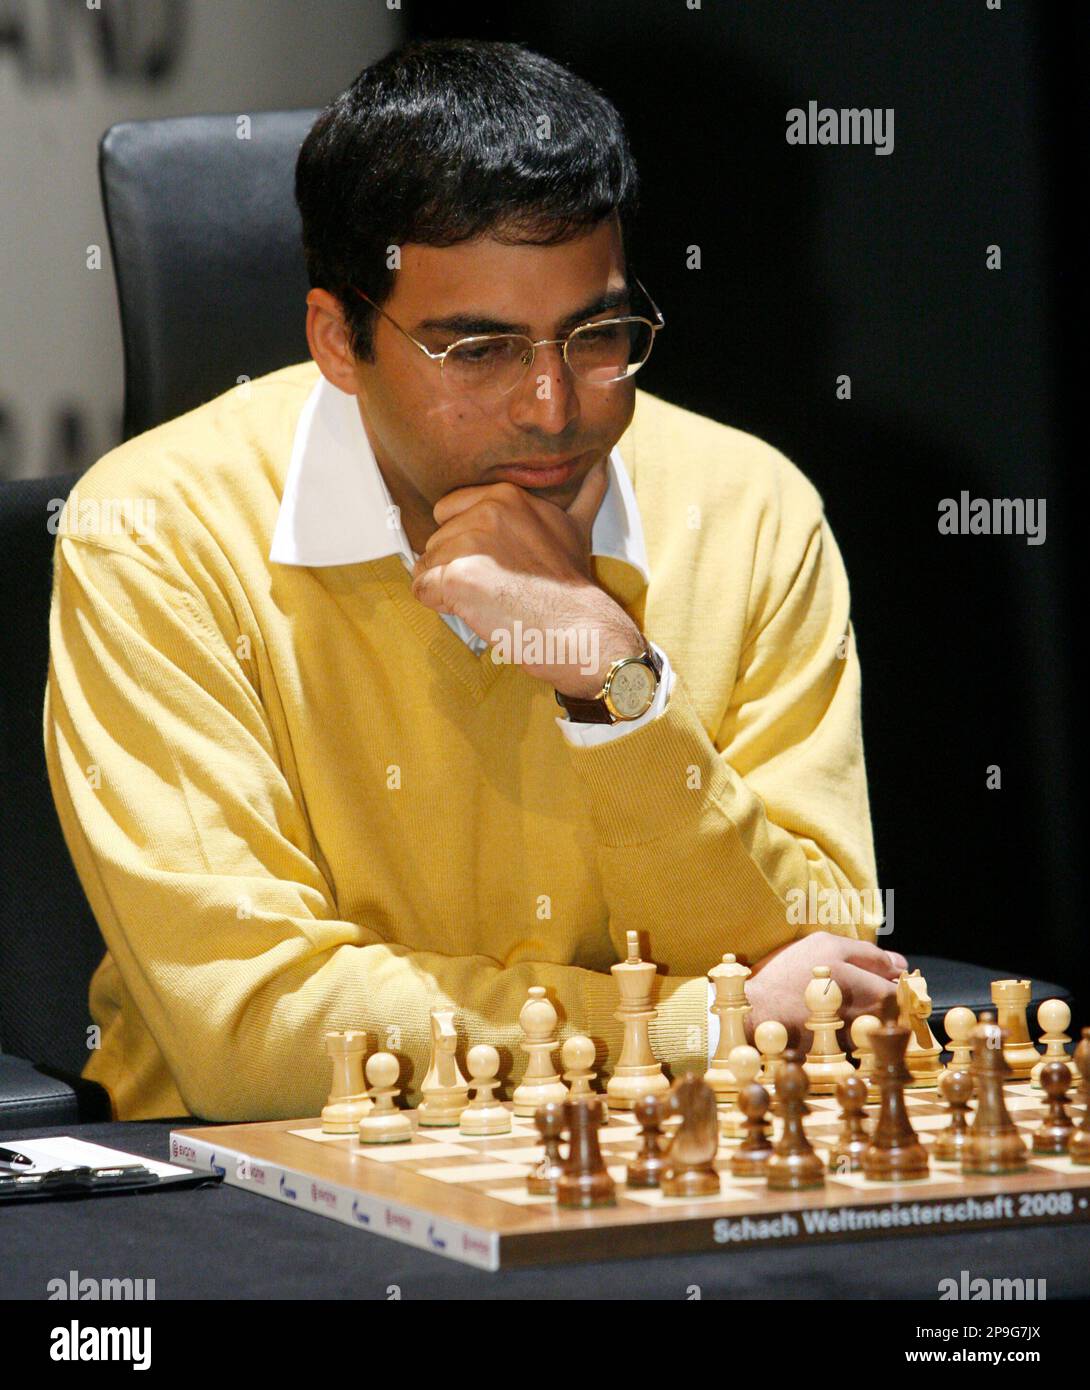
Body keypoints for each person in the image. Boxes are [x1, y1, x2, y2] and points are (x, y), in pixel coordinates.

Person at [44, 38, 901, 1123]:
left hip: (659, 1153)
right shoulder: (157, 533)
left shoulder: (750, 507)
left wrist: (615, 684)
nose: (552, 406)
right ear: (337, 340)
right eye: (479, 350)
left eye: (596, 334)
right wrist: (696, 1027)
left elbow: (813, 968)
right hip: (259, 1190)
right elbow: (251, 1033)